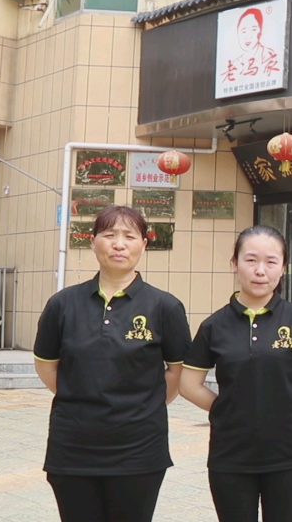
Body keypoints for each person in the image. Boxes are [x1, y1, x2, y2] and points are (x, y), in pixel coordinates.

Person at [33, 205, 191, 522]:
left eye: (129, 236)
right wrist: (80, 396)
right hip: (73, 447)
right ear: (93, 242)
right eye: (109, 235)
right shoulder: (63, 304)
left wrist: (142, 408)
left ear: (144, 244)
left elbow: (177, 371)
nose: (119, 244)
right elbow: (47, 365)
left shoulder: (165, 306)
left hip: (139, 449)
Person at [179, 225, 292, 522]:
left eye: (271, 261)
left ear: (283, 268)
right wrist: (228, 406)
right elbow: (189, 385)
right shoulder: (215, 325)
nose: (260, 270)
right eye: (250, 260)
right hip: (230, 454)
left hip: (287, 452)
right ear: (234, 264)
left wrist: (286, 395)